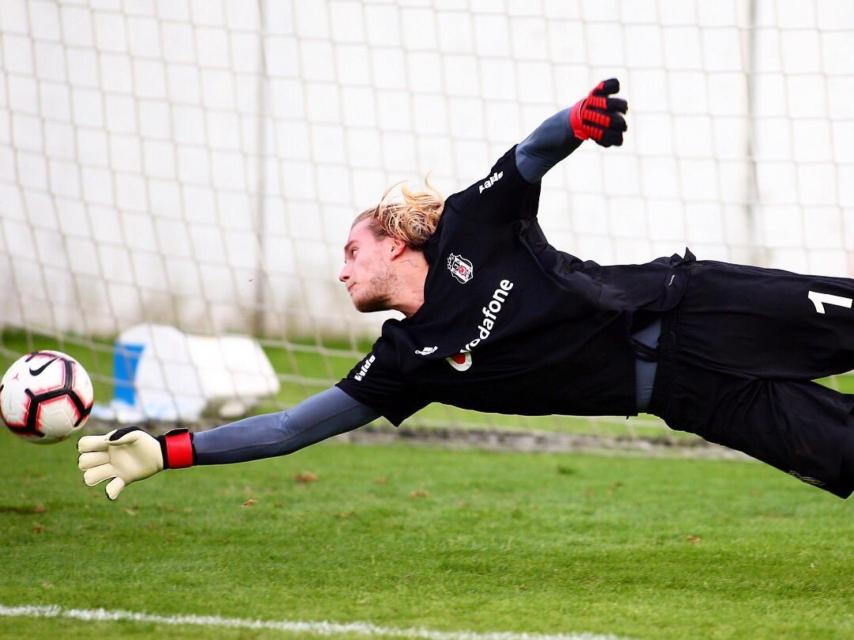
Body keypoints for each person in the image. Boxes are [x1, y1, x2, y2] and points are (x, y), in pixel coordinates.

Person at [78, 79, 854, 501]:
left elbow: (527, 155)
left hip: (697, 306)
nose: (341, 269)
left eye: (351, 250)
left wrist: (577, 121)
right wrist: (170, 450)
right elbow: (287, 429)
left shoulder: (471, 228)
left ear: (392, 238)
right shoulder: (404, 360)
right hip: (688, 396)